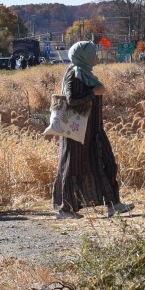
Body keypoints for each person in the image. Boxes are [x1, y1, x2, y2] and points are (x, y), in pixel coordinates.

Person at [50, 40, 132, 219]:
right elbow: (71, 99)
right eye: (93, 54)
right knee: (72, 168)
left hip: (93, 131)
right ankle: (66, 209)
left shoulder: (86, 73)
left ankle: (113, 204)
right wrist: (93, 93)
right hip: (77, 133)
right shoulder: (74, 73)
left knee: (106, 164)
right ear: (84, 56)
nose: (96, 57)